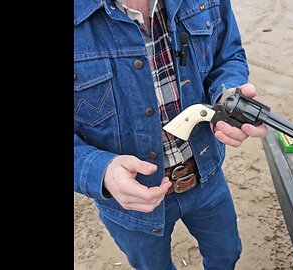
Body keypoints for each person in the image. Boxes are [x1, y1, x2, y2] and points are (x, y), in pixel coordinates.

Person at [74, 0, 268, 269]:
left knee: (227, 254)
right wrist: (101, 171)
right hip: (130, 205)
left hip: (206, 174)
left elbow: (228, 54)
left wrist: (228, 97)